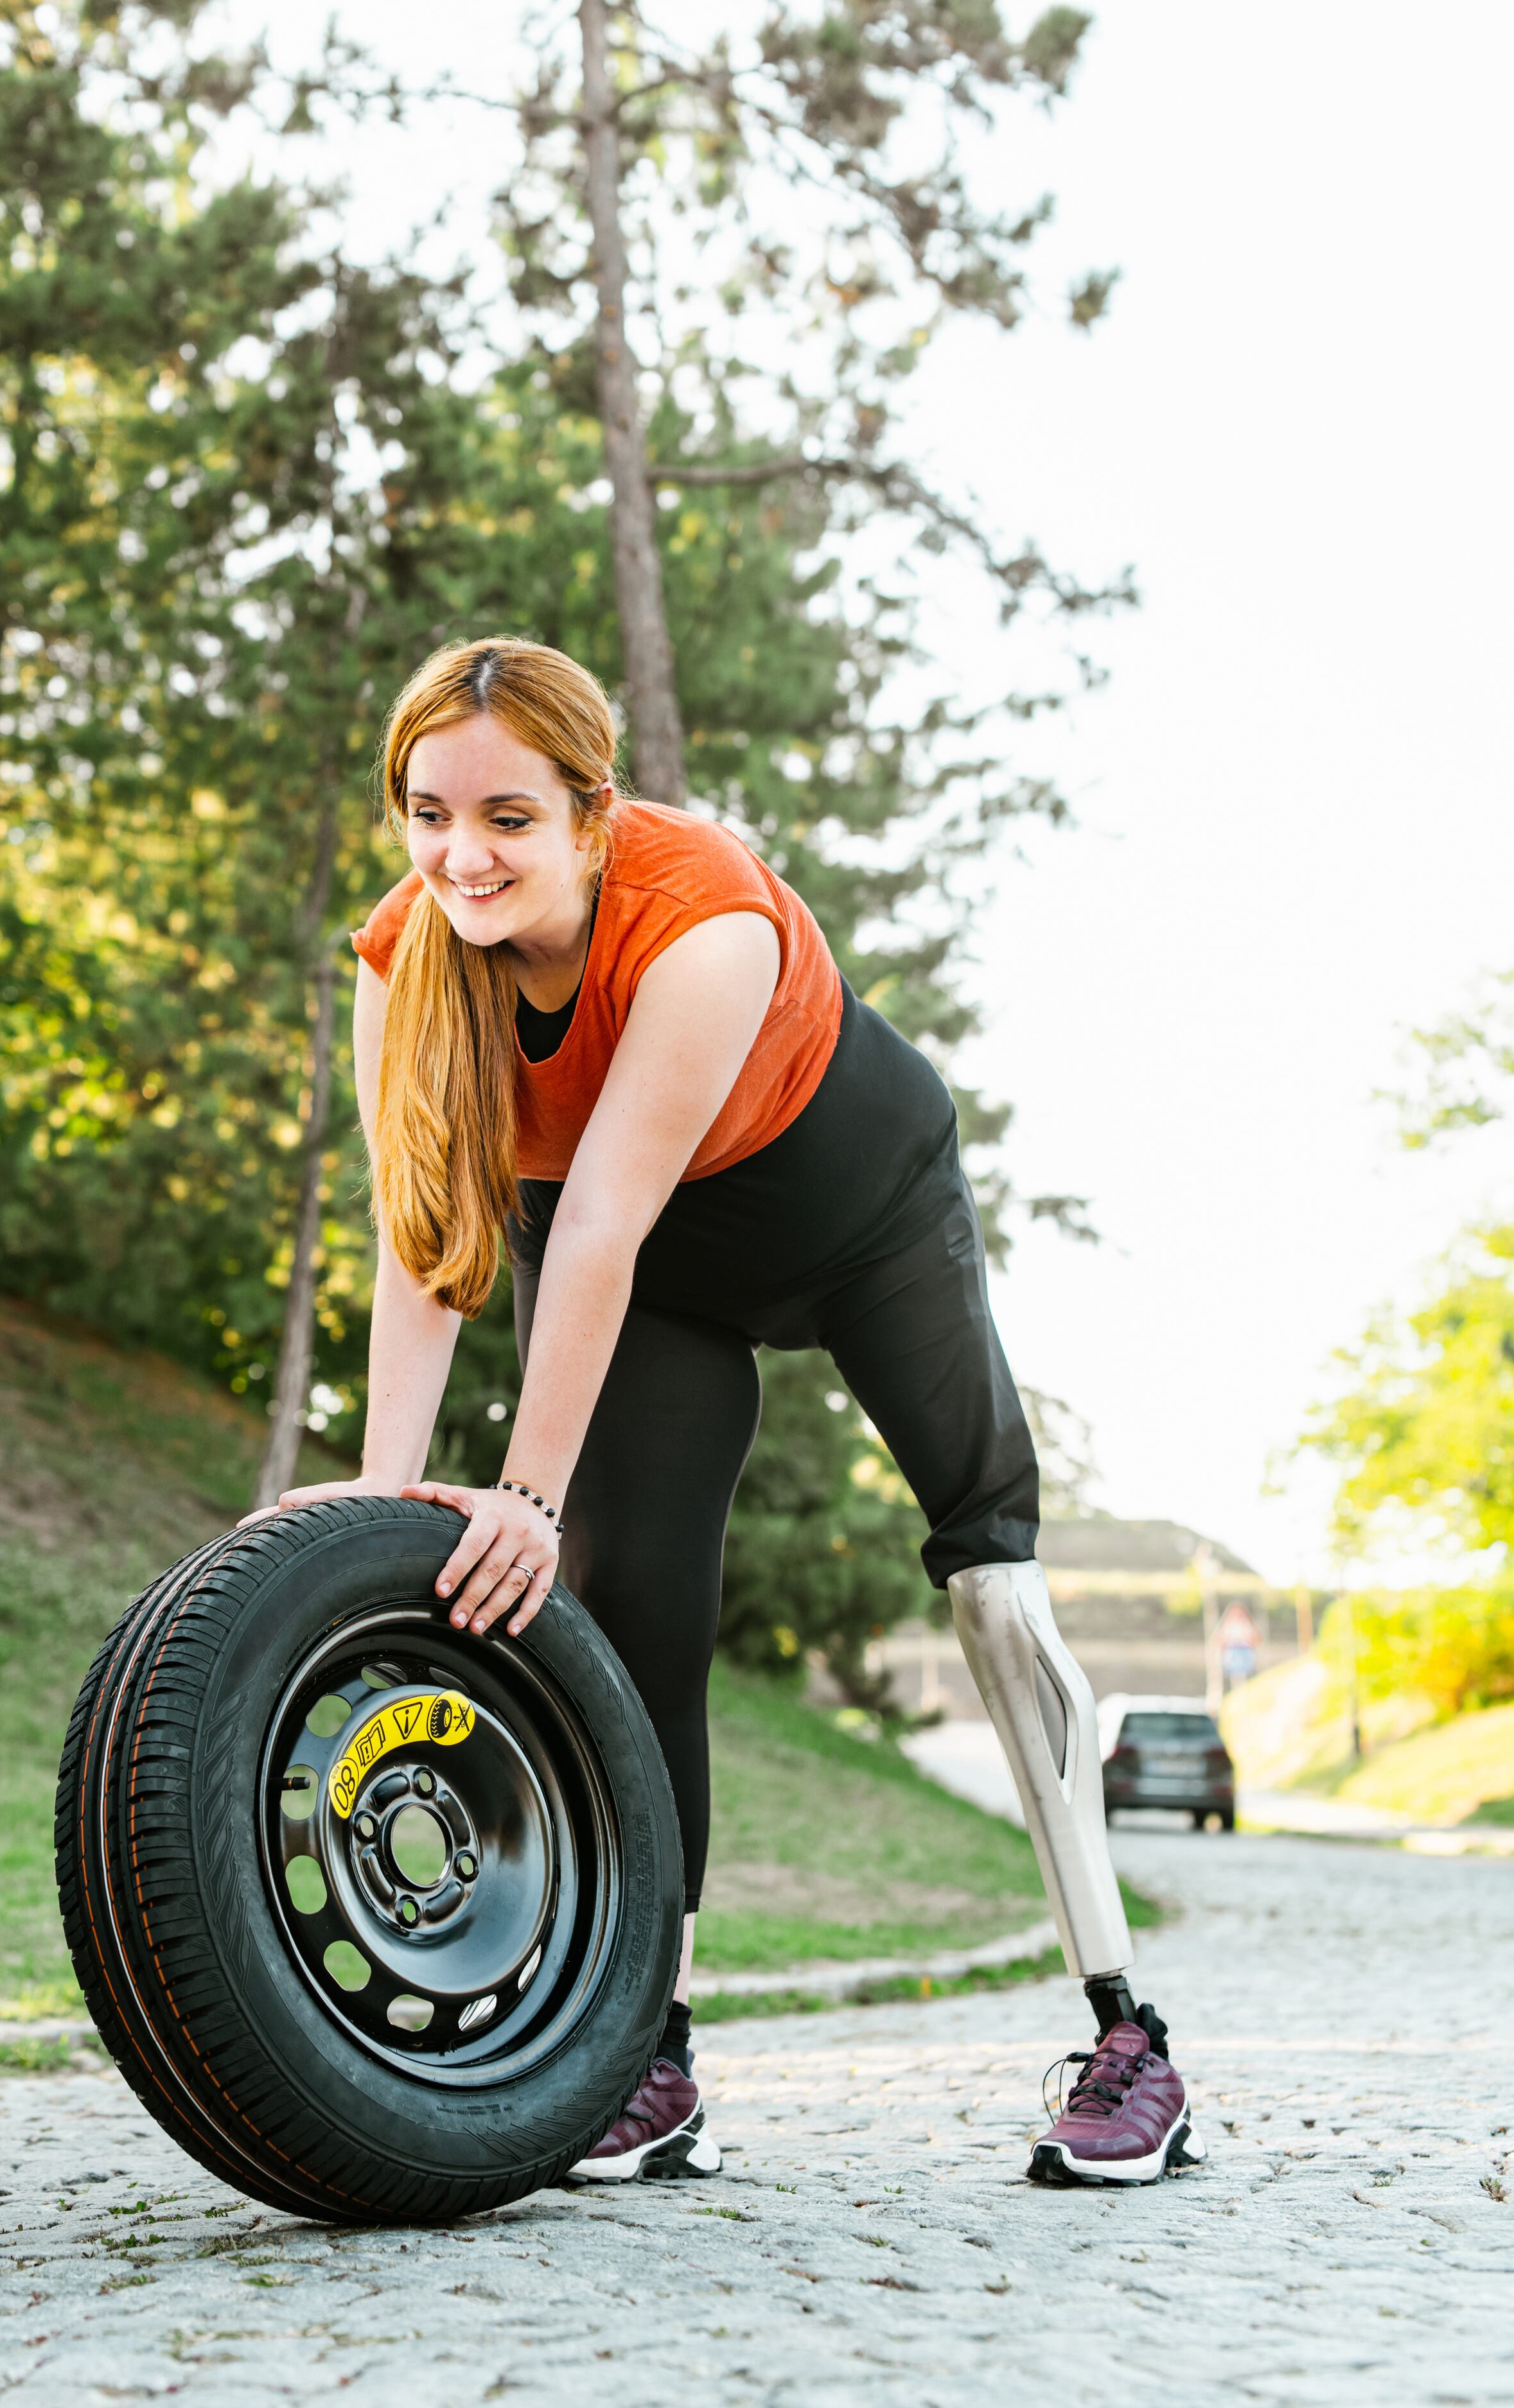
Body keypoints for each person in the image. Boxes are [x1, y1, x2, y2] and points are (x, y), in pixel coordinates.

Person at [259, 638, 1194, 2189]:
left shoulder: (697, 919)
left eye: (505, 816)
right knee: (637, 1622)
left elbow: (603, 1221)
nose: (460, 854)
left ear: (589, 810)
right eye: (428, 813)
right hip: (670, 1282)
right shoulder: (406, 958)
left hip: (862, 1213)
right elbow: (426, 1238)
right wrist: (379, 1502)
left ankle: (1126, 2030)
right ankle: (650, 2048)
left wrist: (527, 1494)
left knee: (988, 1577)